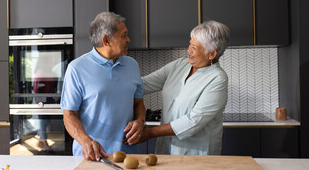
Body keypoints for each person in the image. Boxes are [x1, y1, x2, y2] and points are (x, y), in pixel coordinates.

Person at [130, 20, 229, 155]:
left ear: (211, 54)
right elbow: (144, 84)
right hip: (166, 147)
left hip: (196, 153)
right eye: (190, 44)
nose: (189, 50)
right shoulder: (180, 65)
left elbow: (193, 121)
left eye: (195, 47)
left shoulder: (217, 78)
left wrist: (149, 133)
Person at [61, 12, 146, 160]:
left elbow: (138, 103)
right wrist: (86, 142)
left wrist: (140, 121)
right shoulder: (77, 68)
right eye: (124, 35)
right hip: (92, 156)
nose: (128, 39)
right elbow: (69, 115)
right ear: (106, 40)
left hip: (130, 155)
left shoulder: (132, 65)